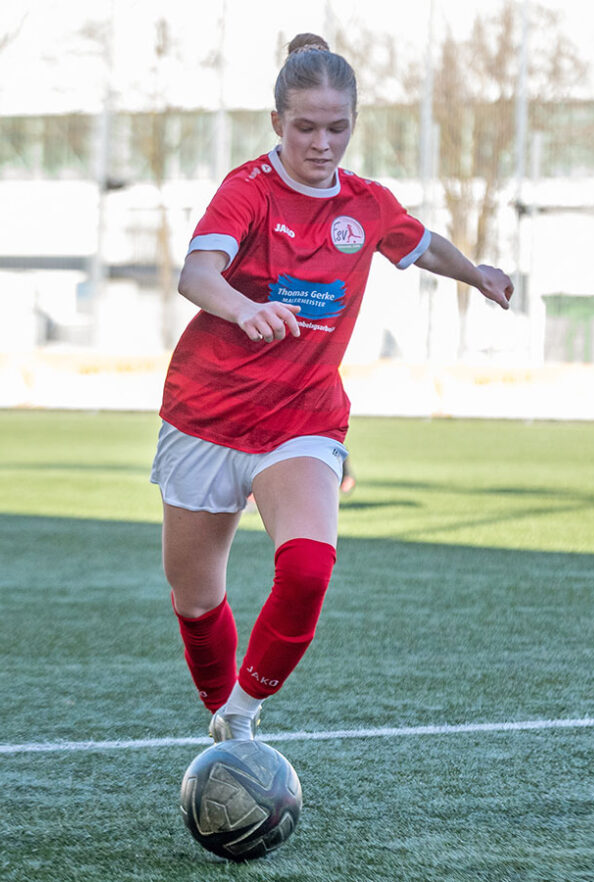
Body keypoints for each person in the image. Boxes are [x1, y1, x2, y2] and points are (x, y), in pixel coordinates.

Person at [150, 33, 513, 742]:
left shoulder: (366, 204)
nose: (322, 144)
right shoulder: (248, 190)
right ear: (277, 122)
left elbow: (422, 243)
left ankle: (242, 718)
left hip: (303, 419)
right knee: (195, 599)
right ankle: (223, 727)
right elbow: (196, 274)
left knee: (309, 568)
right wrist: (245, 308)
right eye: (305, 128)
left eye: (337, 128)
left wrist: (477, 274)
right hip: (206, 416)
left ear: (354, 123)